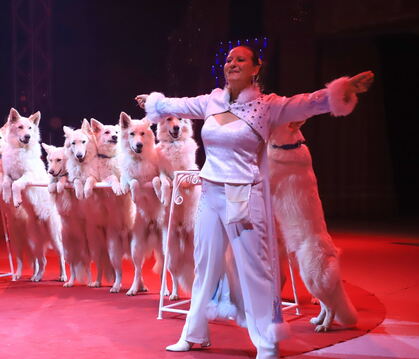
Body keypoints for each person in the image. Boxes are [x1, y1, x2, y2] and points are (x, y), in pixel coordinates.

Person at [135, 45, 374, 359]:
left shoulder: (267, 106)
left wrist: (340, 91)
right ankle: (194, 333)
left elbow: (306, 103)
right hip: (211, 193)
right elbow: (179, 104)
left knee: (255, 270)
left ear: (256, 68)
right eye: (229, 60)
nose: (232, 63)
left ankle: (267, 342)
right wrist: (155, 103)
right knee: (205, 266)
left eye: (241, 59)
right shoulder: (212, 101)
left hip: (245, 196)